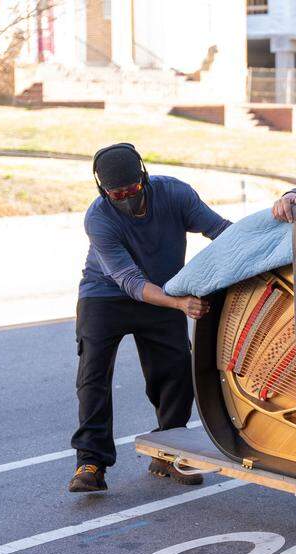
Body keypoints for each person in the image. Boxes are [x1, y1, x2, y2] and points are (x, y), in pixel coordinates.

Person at [69, 143, 232, 493]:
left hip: (164, 289)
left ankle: (168, 453)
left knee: (174, 372)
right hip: (105, 295)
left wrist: (258, 244)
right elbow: (128, 280)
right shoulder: (99, 217)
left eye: (132, 189)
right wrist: (179, 304)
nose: (126, 198)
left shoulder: (175, 194)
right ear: (103, 190)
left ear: (144, 176)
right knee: (93, 376)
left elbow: (219, 230)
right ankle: (91, 463)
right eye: (117, 193)